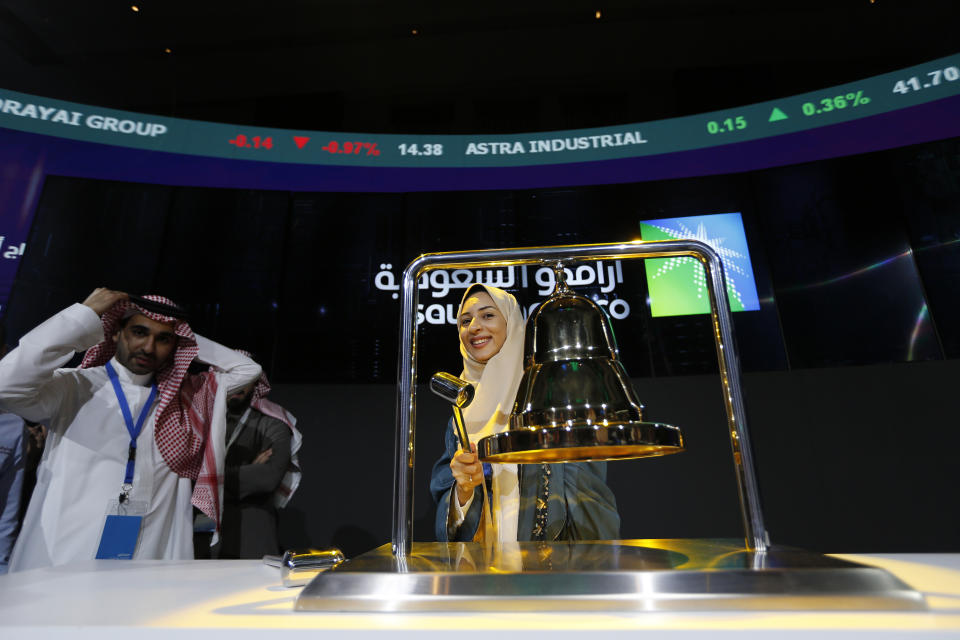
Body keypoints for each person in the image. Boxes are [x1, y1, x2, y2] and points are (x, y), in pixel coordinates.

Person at [0, 288, 261, 571]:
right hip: (68, 548)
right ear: (115, 332)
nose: (149, 347)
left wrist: (181, 332)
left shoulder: (185, 401)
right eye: (139, 332)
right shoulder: (74, 386)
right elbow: (6, 384)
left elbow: (246, 370)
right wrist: (83, 315)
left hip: (149, 551)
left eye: (163, 340)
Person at [430, 284, 620, 543]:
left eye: (487, 315)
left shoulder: (549, 397)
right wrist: (464, 489)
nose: (474, 327)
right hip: (483, 575)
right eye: (465, 320)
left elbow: (586, 494)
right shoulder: (462, 411)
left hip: (552, 571)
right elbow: (449, 512)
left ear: (512, 323)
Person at [199, 357, 302, 559]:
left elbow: (268, 478)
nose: (236, 385)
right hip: (201, 535)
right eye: (228, 376)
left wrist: (210, 480)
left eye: (242, 378)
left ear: (255, 382)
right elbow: (187, 478)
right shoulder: (199, 419)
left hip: (250, 533)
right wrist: (245, 471)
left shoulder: (274, 423)